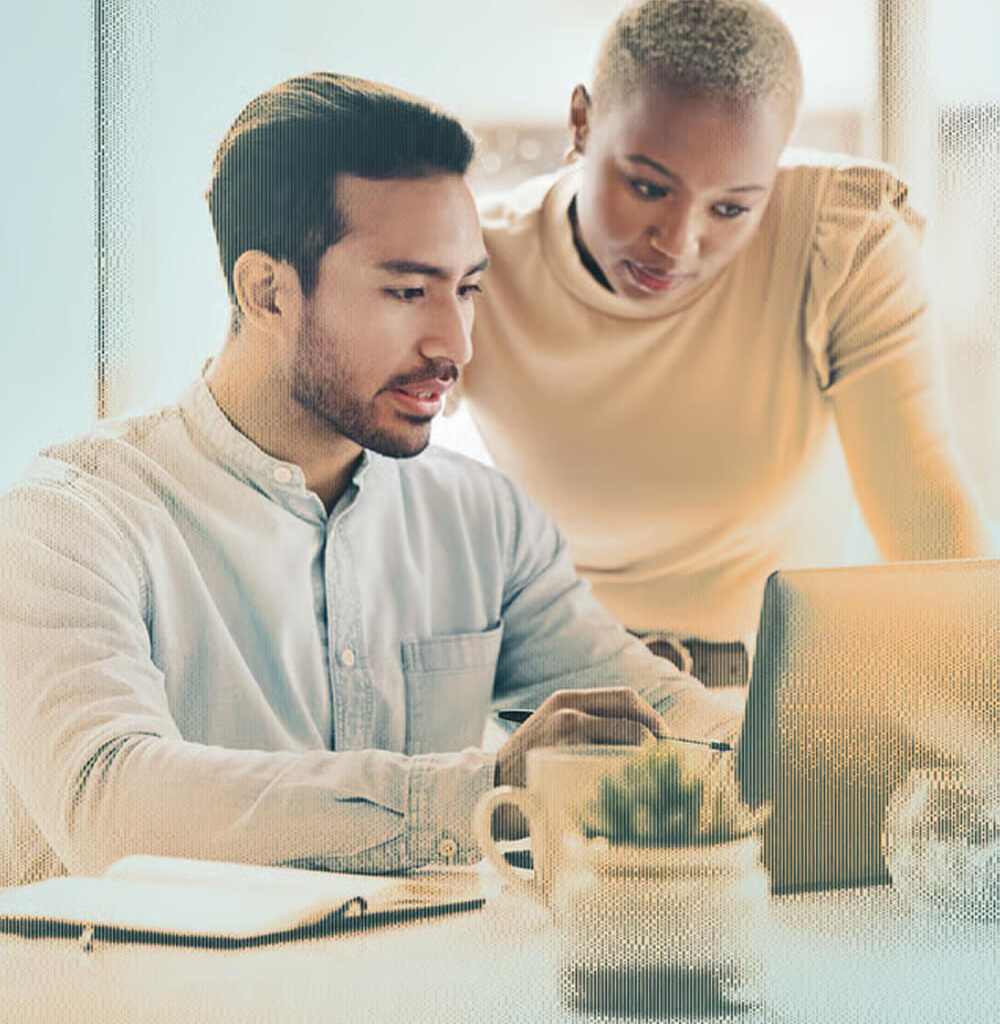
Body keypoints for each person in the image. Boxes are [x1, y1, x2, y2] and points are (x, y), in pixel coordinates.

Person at [0, 74, 740, 887]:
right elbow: (112, 806)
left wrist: (802, 744)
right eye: (406, 290)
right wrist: (481, 791)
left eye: (466, 289)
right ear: (268, 291)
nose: (453, 343)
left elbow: (655, 711)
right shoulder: (68, 523)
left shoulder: (484, 519)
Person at [450, 0, 994, 686]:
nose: (678, 243)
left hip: (782, 700)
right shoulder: (474, 260)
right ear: (581, 123)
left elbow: (929, 521)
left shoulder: (839, 238)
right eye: (647, 187)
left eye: (733, 207)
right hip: (557, 697)